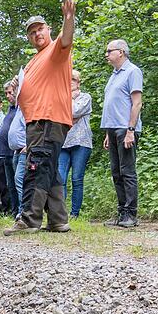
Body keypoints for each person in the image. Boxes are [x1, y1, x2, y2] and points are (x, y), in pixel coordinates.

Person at [4, 0, 75, 236]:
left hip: (48, 119)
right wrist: (17, 87)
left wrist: (69, 18)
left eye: (40, 29)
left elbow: (66, 39)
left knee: (35, 167)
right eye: (32, 32)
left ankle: (29, 219)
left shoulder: (56, 50)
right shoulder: (33, 61)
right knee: (49, 169)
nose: (37, 34)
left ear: (49, 29)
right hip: (37, 120)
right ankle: (58, 220)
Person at [100, 40, 143, 229]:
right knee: (116, 173)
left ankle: (131, 214)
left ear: (122, 52)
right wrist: (108, 133)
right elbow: (113, 105)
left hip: (126, 129)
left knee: (127, 171)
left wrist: (130, 131)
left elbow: (137, 103)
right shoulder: (114, 75)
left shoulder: (133, 71)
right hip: (113, 128)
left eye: (109, 51)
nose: (106, 55)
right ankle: (121, 213)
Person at [57, 69, 92, 218]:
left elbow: (74, 112)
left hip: (81, 142)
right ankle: (61, 213)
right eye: (67, 79)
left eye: (73, 79)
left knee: (77, 179)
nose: (69, 82)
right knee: (61, 178)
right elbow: (57, 114)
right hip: (63, 142)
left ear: (79, 82)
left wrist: (69, 103)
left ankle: (75, 213)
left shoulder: (86, 97)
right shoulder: (60, 97)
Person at [0, 82, 20, 218]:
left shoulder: (20, 108)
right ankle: (14, 210)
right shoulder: (11, 109)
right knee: (10, 184)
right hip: (6, 152)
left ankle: (21, 211)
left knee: (18, 182)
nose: (7, 96)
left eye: (10, 92)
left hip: (15, 151)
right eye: (5, 93)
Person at [7, 103, 27, 218]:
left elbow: (33, 127)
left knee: (19, 179)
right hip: (16, 151)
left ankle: (24, 211)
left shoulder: (26, 107)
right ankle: (20, 210)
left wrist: (29, 144)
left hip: (25, 150)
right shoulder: (17, 109)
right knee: (16, 182)